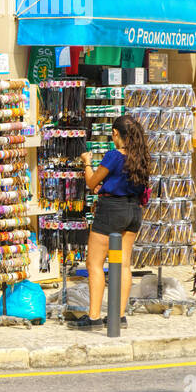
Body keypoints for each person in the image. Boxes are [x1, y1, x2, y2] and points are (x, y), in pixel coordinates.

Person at [74, 114, 150, 330]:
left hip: (111, 212)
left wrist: (87, 163)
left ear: (116, 134)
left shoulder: (114, 156)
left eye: (112, 135)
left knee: (94, 263)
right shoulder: (141, 157)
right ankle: (119, 315)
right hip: (133, 211)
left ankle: (95, 316)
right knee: (123, 263)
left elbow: (91, 182)